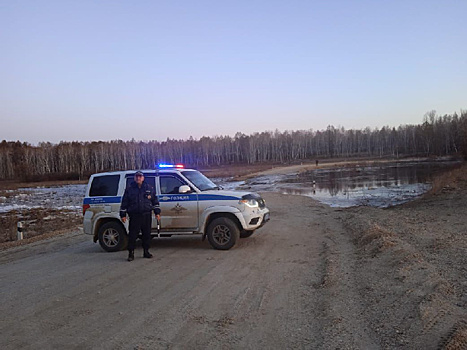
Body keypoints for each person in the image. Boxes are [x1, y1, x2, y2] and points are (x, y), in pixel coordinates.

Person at [120, 171, 161, 262]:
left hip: (146, 215)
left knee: (147, 235)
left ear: (143, 178)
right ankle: (131, 253)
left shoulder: (149, 188)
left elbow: (155, 201)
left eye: (140, 176)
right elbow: (124, 203)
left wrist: (157, 212)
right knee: (133, 235)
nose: (138, 178)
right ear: (134, 178)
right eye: (137, 176)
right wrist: (123, 214)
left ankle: (146, 251)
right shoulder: (129, 189)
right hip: (135, 216)